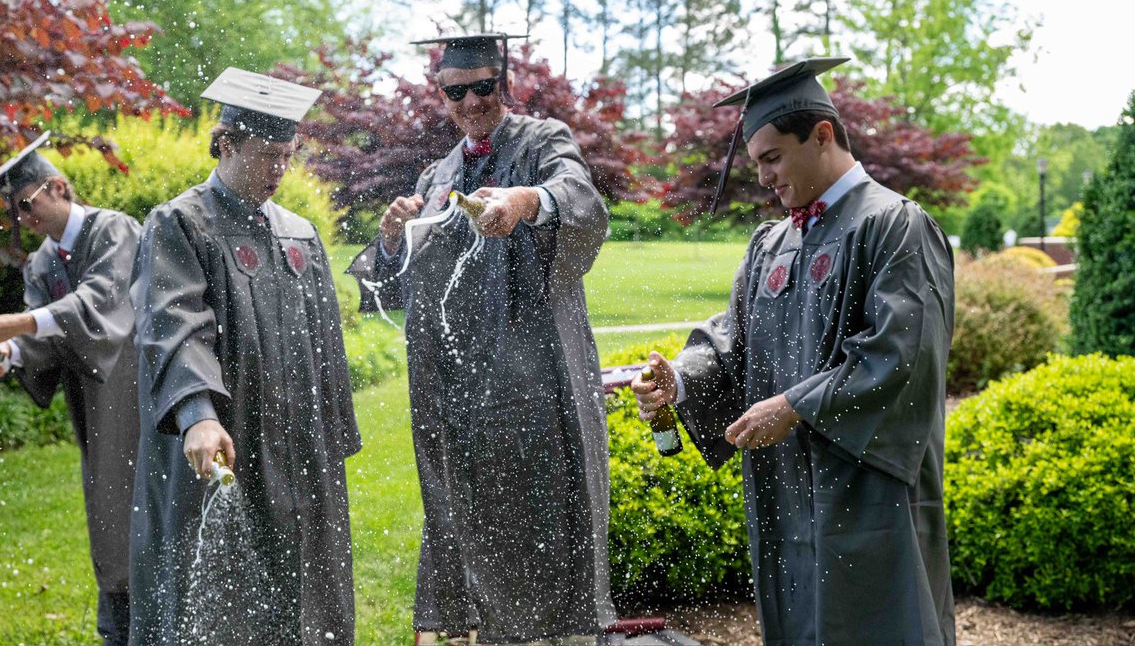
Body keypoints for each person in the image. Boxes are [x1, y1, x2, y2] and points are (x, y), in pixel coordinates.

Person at [632, 58, 957, 645]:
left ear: (823, 135)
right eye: (756, 163)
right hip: (785, 489)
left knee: (878, 623)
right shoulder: (771, 242)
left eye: (773, 158)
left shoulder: (893, 226)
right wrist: (678, 380)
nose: (763, 178)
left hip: (864, 489)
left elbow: (902, 356)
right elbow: (735, 339)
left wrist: (793, 406)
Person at [347, 33, 616, 644]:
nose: (470, 102)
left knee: (540, 518)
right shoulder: (439, 173)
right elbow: (400, 284)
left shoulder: (543, 141)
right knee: (465, 517)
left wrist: (527, 199)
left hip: (536, 380)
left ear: (505, 84)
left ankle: (549, 634)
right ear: (442, 94)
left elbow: (582, 199)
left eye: (483, 87)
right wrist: (394, 237)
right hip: (458, 389)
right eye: (455, 91)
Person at [128, 68, 360, 645]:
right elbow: (174, 325)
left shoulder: (299, 233)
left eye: (288, 156)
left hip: (297, 448)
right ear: (226, 142)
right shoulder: (180, 224)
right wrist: (197, 415)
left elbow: (325, 347)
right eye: (267, 156)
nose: (280, 171)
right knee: (218, 598)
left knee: (304, 590)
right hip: (224, 441)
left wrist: (331, 434)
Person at [0, 131, 140, 646]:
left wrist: (20, 324)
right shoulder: (40, 264)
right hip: (94, 406)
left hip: (136, 387)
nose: (22, 220)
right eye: (14, 213)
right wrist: (6, 355)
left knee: (148, 503)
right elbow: (45, 343)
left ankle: (161, 619)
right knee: (108, 508)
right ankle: (119, 629)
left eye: (26, 204)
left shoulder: (114, 231)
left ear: (57, 186)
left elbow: (104, 301)